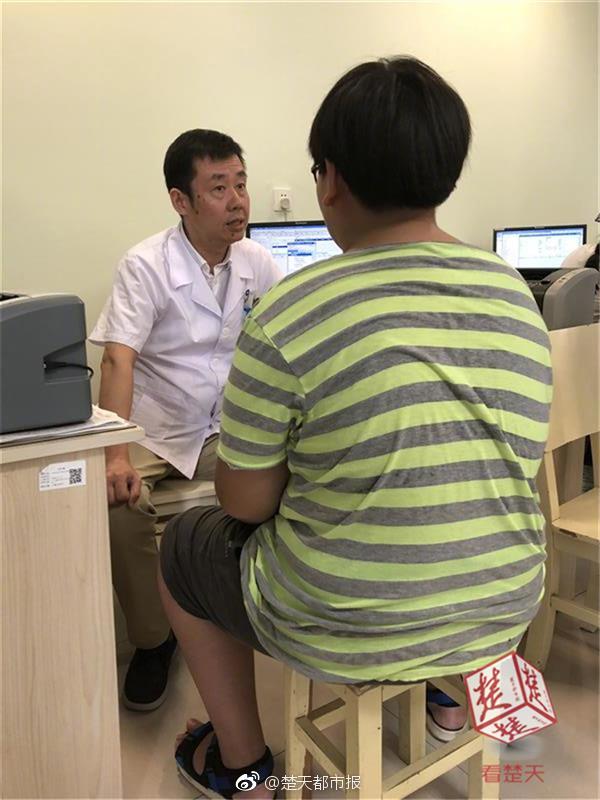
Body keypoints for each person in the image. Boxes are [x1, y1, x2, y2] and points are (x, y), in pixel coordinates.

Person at [158, 58, 552, 798]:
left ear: (329, 180)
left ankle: (242, 765)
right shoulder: (514, 292)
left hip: (340, 617)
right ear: (446, 171)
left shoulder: (290, 310)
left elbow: (244, 504)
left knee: (186, 544)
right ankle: (444, 703)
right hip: (503, 598)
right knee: (446, 511)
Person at [89, 129, 281, 711]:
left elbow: (281, 346)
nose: (238, 200)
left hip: (223, 426)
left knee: (292, 477)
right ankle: (154, 640)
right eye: (219, 188)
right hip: (152, 427)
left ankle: (257, 607)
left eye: (241, 184)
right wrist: (116, 454)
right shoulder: (145, 264)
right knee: (117, 505)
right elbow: (118, 358)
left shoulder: (257, 262)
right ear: (181, 201)